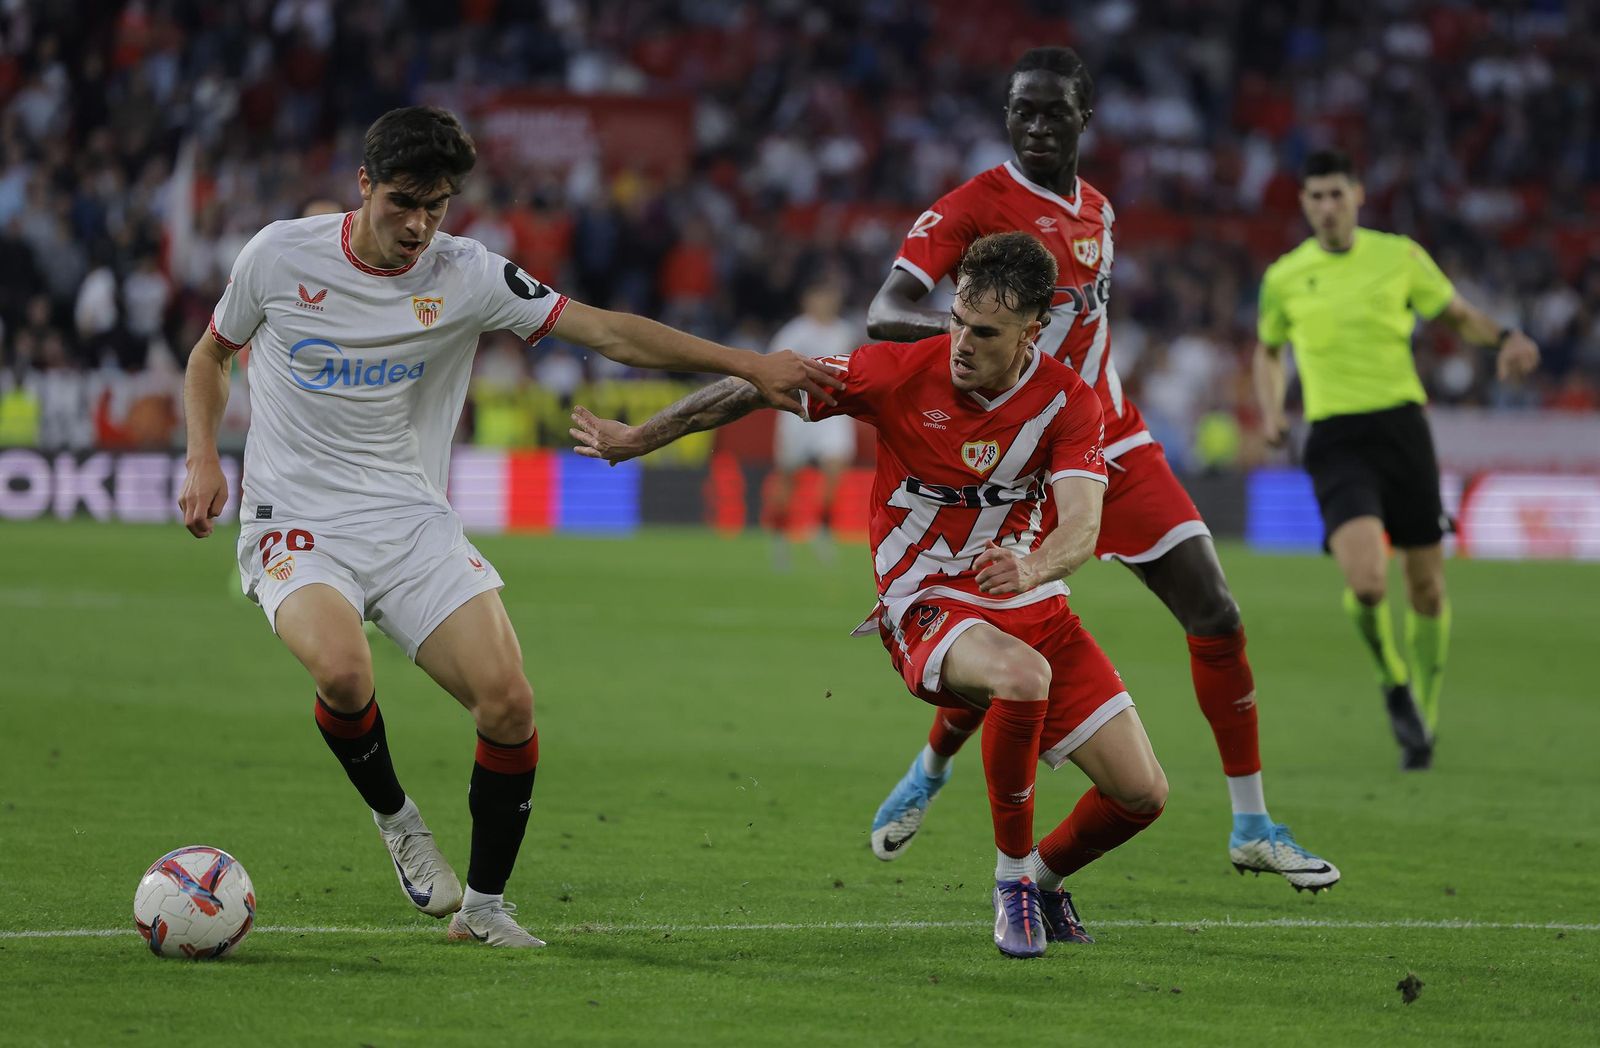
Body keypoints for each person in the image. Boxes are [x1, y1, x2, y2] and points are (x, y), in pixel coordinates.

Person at [178, 106, 835, 949]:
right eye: (404, 202)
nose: (420, 225)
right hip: (296, 517)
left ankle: (483, 910)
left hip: (412, 519)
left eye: (439, 206)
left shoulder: (468, 272)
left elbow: (606, 330)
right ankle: (399, 820)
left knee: (510, 704)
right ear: (363, 186)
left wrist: (749, 364)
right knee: (343, 674)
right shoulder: (277, 255)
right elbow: (209, 355)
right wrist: (204, 457)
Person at [573, 232, 1168, 958]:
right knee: (1021, 678)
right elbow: (750, 387)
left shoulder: (1069, 404)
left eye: (985, 333)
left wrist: (1036, 567)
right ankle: (1011, 879)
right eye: (955, 320)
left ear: (1032, 333)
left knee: (1142, 795)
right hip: (925, 601)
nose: (961, 343)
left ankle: (1044, 875)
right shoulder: (895, 371)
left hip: (1029, 601)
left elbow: (1083, 523)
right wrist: (639, 437)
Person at [862, 47, 1336, 891]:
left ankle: (1254, 823)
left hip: (1111, 439)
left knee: (1217, 610)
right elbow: (885, 309)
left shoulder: (1100, 212)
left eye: (1053, 112)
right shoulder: (975, 204)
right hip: (1026, 455)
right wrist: (969, 333)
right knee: (1010, 637)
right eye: (1021, 111)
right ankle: (930, 773)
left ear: (1087, 118)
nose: (1036, 126)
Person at [1253, 148, 1540, 770]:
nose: (1326, 206)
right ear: (1303, 204)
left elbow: (1457, 315)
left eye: (1336, 193)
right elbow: (1268, 351)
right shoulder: (1284, 277)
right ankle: (1393, 680)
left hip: (1403, 429)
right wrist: (1273, 411)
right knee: (1367, 580)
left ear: (1358, 195)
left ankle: (1424, 718)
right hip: (1334, 436)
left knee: (1429, 589)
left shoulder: (1399, 256)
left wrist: (1507, 337)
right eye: (1315, 196)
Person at [764, 271, 859, 566]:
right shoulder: (793, 333)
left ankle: (820, 527)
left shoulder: (844, 331)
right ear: (807, 301)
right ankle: (779, 537)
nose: (827, 302)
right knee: (788, 475)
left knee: (835, 467)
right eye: (820, 296)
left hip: (833, 410)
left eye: (831, 296)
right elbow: (772, 370)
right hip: (798, 411)